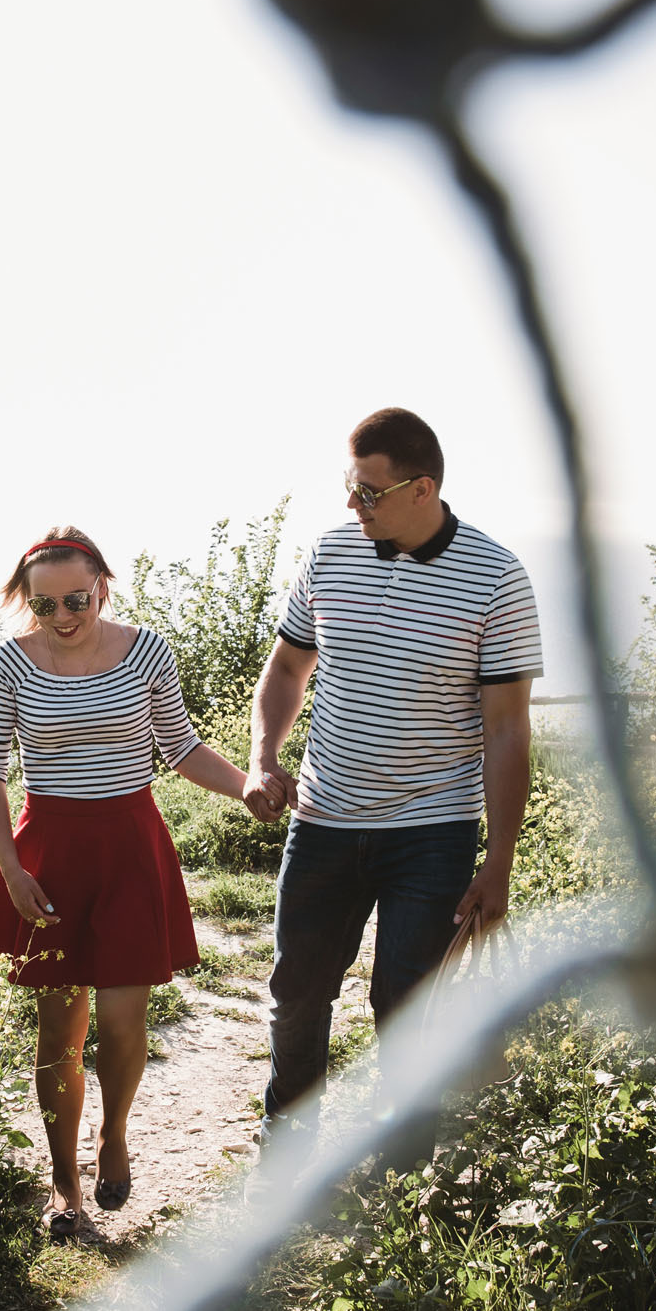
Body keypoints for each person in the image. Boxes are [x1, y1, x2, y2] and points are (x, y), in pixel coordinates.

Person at [244, 408, 541, 1168]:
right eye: (350, 486)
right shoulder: (332, 554)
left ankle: (404, 1181)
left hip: (432, 832)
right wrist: (263, 757)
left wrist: (497, 861)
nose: (353, 505)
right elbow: (286, 669)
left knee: (406, 1011)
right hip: (322, 819)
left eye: (369, 491)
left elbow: (507, 730)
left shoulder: (496, 577)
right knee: (298, 995)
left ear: (423, 489)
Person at [0, 526, 259, 1241]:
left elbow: (183, 748)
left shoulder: (147, 650)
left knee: (125, 1023)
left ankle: (115, 1133)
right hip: (47, 856)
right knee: (58, 1030)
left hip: (131, 848)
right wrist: (11, 868)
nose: (63, 616)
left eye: (77, 599)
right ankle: (63, 1180)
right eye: (44, 606)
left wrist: (249, 786)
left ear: (101, 584)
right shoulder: (9, 664)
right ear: (26, 605)